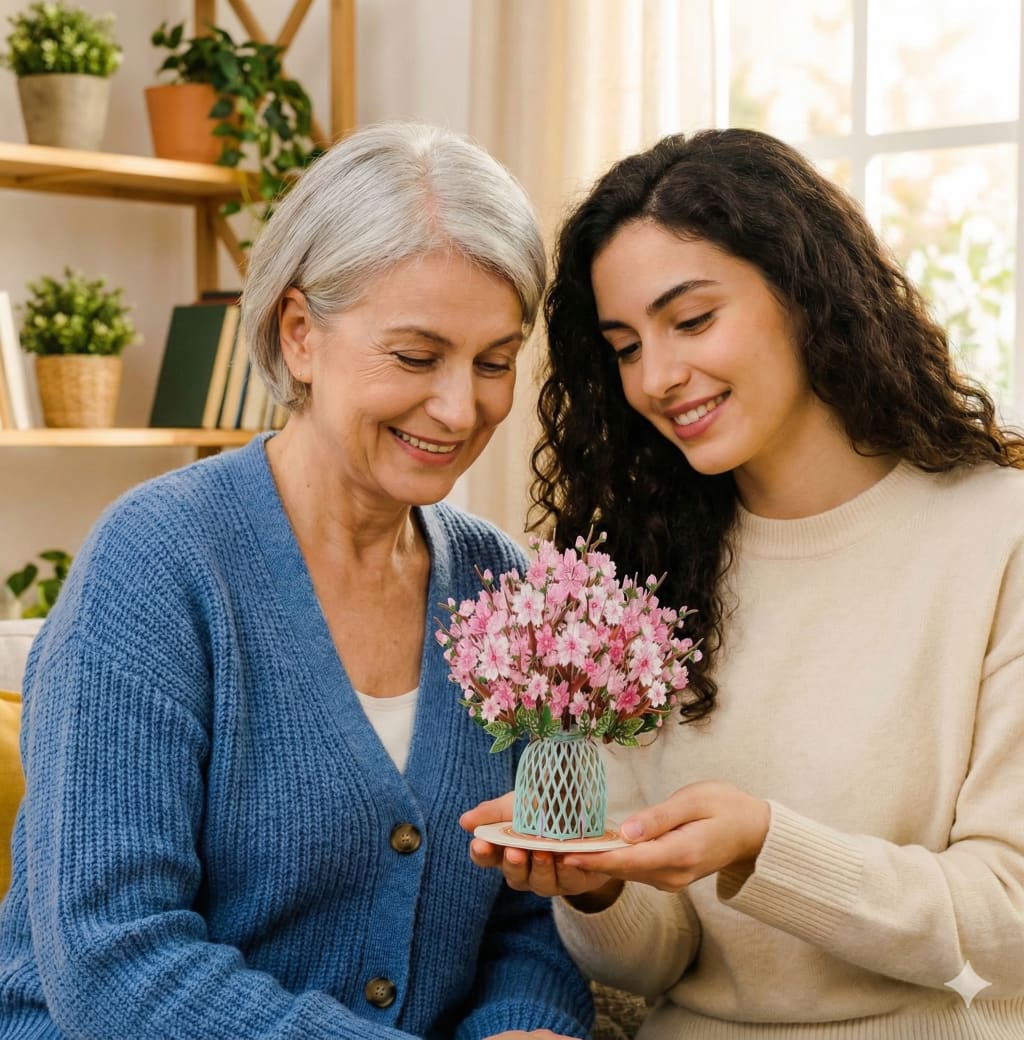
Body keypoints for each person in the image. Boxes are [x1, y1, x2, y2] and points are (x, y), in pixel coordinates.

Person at [0, 122, 593, 1040]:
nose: (459, 406)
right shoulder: (157, 563)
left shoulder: (500, 586)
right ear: (301, 334)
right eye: (415, 355)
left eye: (494, 361)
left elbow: (529, 910)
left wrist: (528, 1024)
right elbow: (112, 957)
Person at [462, 127, 1024, 1038]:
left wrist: (766, 845)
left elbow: (1008, 923)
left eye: (690, 321)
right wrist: (601, 885)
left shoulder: (1001, 540)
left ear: (805, 295)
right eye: (625, 345)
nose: (659, 377)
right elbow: (661, 963)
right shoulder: (641, 569)